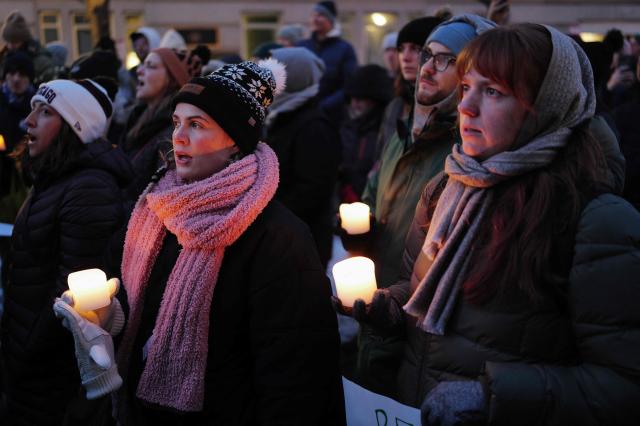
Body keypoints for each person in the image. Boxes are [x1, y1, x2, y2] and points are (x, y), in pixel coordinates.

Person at [339, 23, 640, 425]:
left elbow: (622, 384)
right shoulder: (446, 189)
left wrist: (492, 395)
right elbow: (417, 293)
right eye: (466, 87)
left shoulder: (597, 221)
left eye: (493, 91)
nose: (466, 107)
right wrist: (388, 308)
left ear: (546, 104)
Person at [54, 59, 344, 425]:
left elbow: (296, 374)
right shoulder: (156, 209)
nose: (178, 136)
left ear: (236, 141)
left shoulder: (277, 236)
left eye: (196, 125)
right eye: (176, 123)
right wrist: (107, 316)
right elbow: (137, 303)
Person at [1, 78, 132, 425]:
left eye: (45, 113)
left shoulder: (89, 188)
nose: (28, 122)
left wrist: (28, 351)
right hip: (26, 359)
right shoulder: (55, 177)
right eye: (31, 110)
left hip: (49, 372)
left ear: (74, 127)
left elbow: (72, 297)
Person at [263, 47, 340, 269]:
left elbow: (312, 190)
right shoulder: (279, 117)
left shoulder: (314, 126)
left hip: (302, 244)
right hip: (280, 237)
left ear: (292, 79)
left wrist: (267, 216)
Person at [118, 47, 199, 205]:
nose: (139, 71)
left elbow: (164, 200)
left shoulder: (174, 134)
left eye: (151, 66)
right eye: (143, 65)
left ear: (173, 78)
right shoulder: (136, 118)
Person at [375, 16, 443, 168]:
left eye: (415, 48)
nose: (405, 57)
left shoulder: (444, 110)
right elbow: (381, 160)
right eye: (401, 49)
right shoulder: (395, 106)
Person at [298, 1, 357, 126]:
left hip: (332, 119)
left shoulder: (345, 49)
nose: (315, 19)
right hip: (302, 116)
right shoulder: (302, 47)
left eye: (320, 15)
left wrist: (323, 106)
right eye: (313, 15)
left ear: (330, 20)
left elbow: (348, 85)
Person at [339, 64, 392, 202]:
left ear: (375, 101)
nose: (355, 103)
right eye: (352, 97)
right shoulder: (344, 127)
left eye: (361, 98)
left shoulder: (384, 133)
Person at [0, 11, 55, 86]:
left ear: (24, 40)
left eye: (15, 41)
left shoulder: (41, 60)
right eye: (8, 41)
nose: (11, 45)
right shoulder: (4, 57)